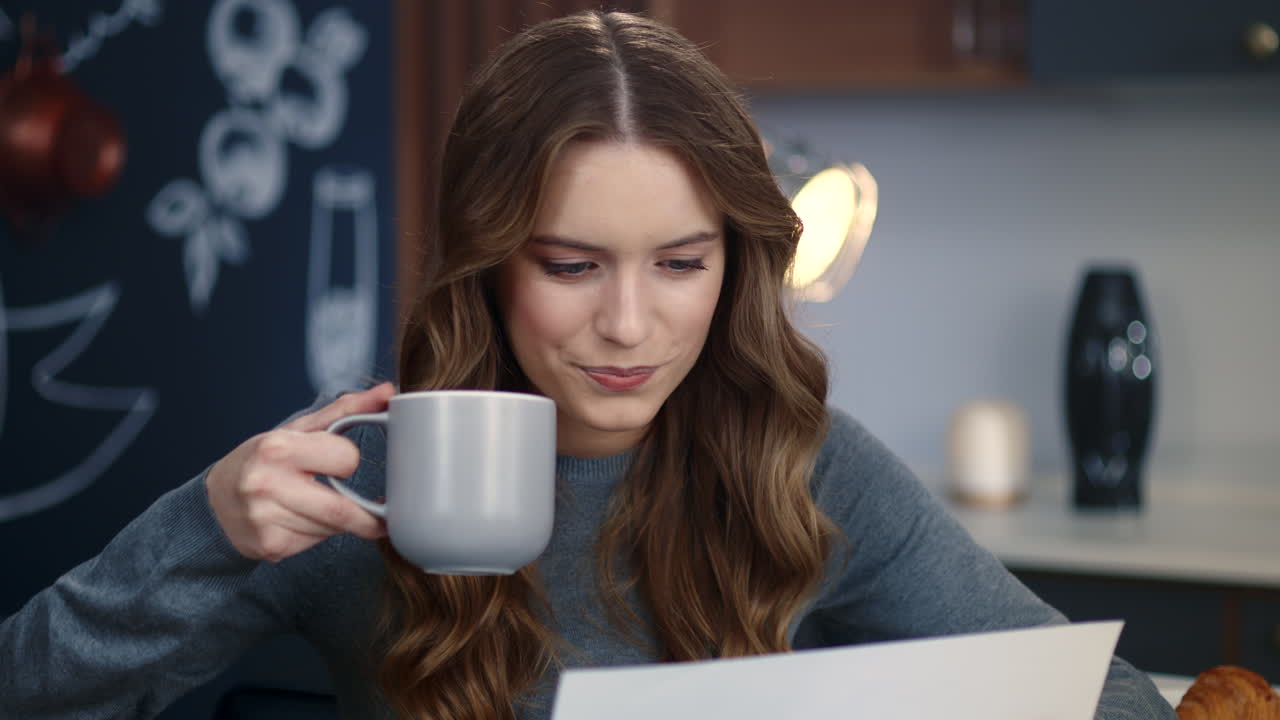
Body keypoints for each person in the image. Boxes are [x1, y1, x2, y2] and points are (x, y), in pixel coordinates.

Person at [1, 10, 1175, 720]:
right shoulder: (352, 482)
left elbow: (1107, 702)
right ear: (488, 264)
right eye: (569, 265)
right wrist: (205, 526)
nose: (630, 327)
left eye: (678, 263)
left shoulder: (805, 471)